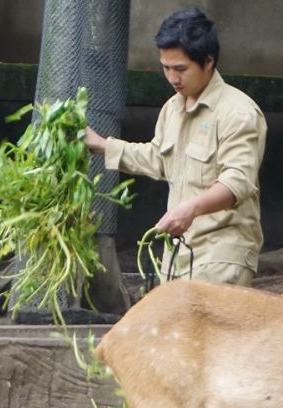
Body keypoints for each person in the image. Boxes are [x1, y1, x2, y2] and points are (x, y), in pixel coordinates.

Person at [84, 7, 267, 287]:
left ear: (208, 62)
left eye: (180, 69)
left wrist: (191, 209)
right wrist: (102, 145)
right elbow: (158, 158)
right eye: (166, 67)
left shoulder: (237, 111)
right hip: (179, 256)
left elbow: (237, 182)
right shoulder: (172, 107)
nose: (171, 77)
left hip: (222, 256)